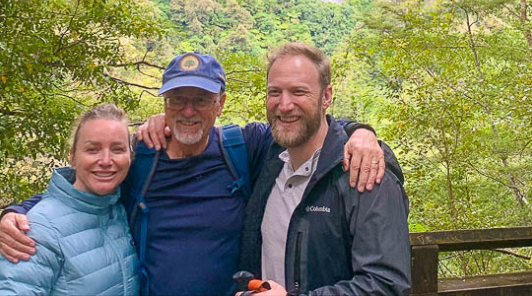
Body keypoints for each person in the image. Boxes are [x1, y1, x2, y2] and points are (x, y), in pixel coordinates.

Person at [0, 52, 392, 296]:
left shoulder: (245, 147)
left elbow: (307, 126)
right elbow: (85, 184)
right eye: (178, 100)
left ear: (220, 103)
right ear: (165, 103)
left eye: (201, 99)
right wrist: (15, 211)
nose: (188, 111)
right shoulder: (140, 158)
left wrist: (362, 135)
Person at [238, 43, 411, 295]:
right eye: (274, 92)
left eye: (298, 91)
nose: (284, 105)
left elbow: (386, 285)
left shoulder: (364, 172)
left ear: (326, 97)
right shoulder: (268, 159)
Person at [0, 104, 139, 295]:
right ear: (73, 157)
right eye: (93, 150)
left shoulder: (118, 210)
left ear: (130, 157)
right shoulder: (37, 229)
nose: (106, 161)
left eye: (117, 149)